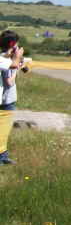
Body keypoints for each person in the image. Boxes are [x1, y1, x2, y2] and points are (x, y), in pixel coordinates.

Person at [0, 30, 25, 165]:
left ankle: (3, 156)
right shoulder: (5, 60)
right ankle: (2, 158)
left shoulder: (5, 58)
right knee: (3, 130)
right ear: (13, 44)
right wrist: (17, 69)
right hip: (6, 100)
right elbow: (9, 82)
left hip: (5, 99)